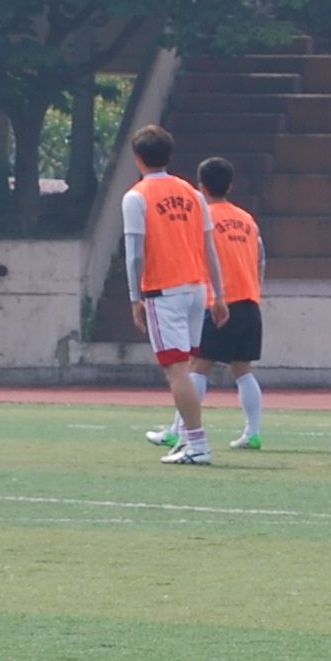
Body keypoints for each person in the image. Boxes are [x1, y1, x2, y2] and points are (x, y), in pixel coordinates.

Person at [121, 124, 234, 466]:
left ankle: (198, 444)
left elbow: (135, 254)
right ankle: (186, 439)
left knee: (176, 369)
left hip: (163, 290)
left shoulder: (136, 197)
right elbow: (209, 248)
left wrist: (135, 297)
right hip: (196, 288)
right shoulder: (193, 194)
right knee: (188, 366)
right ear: (168, 155)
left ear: (138, 158)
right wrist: (219, 294)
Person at [183, 157, 268, 451]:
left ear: (201, 186)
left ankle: (181, 431)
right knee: (242, 368)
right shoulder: (247, 220)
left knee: (197, 366)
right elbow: (260, 259)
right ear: (230, 186)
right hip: (250, 302)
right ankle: (253, 432)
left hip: (219, 302)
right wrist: (254, 289)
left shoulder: (202, 218)